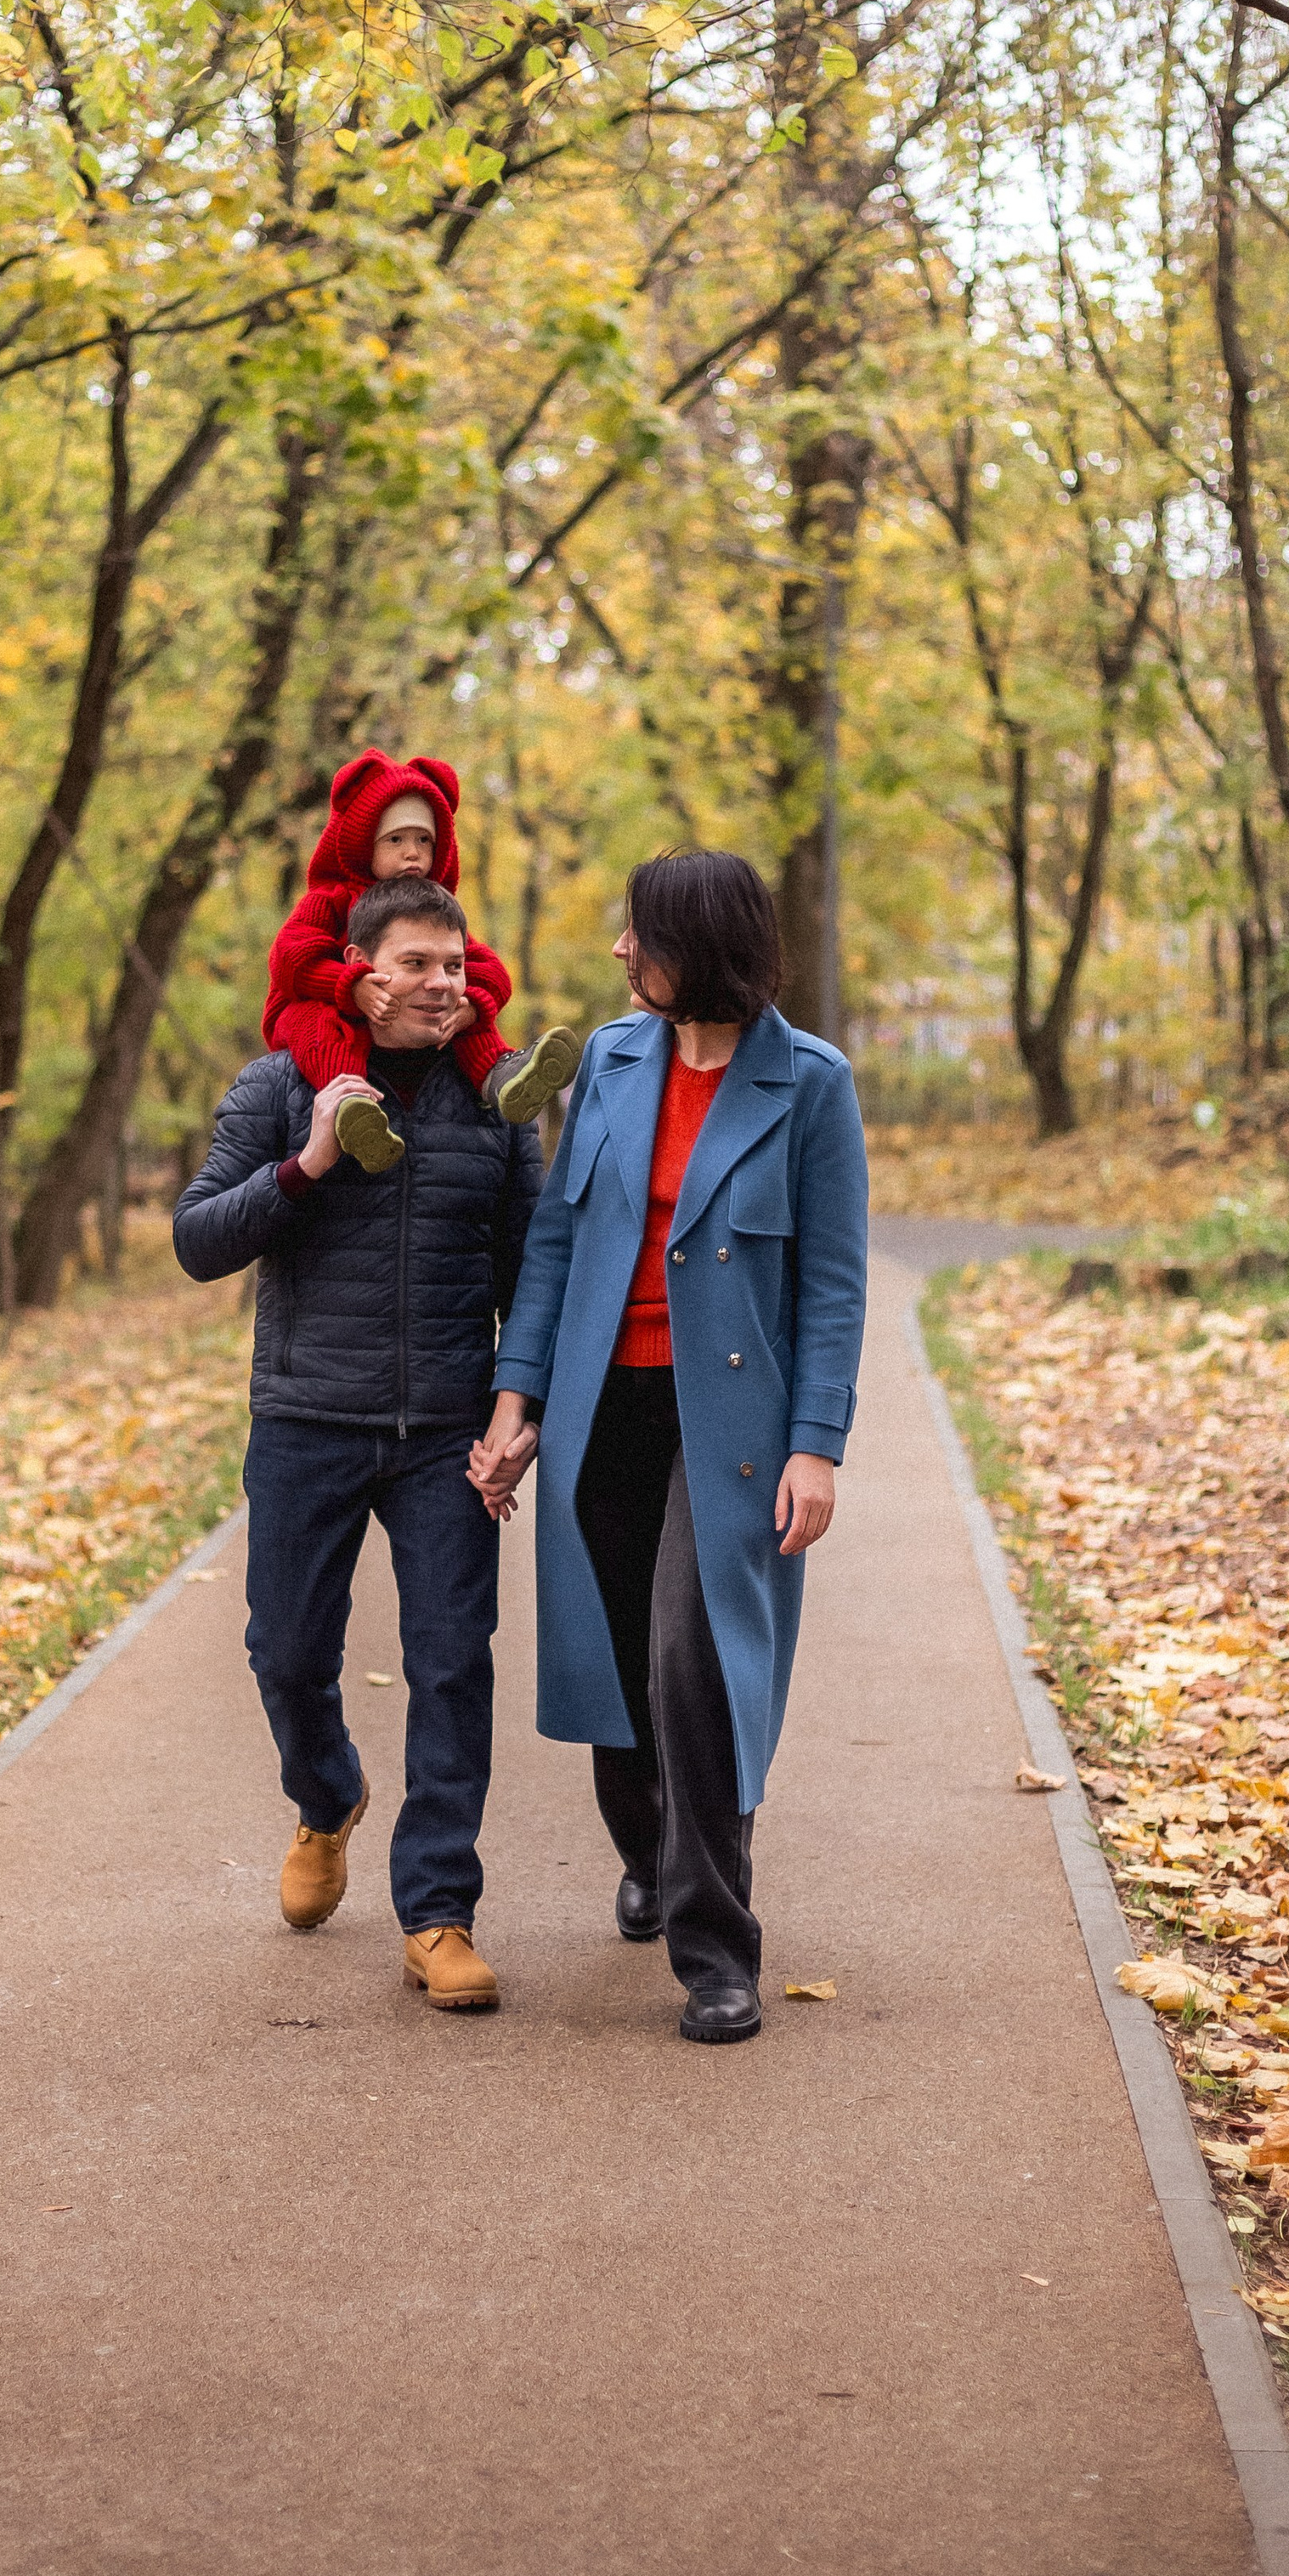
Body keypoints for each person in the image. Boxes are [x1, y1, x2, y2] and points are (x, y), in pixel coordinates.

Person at [469, 849, 868, 2045]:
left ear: (697, 944)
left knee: (692, 1652)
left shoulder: (810, 1083)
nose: (617, 952)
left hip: (732, 1424)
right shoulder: (607, 1059)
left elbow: (836, 1284)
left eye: (636, 933)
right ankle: (645, 1849)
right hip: (602, 1404)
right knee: (615, 1657)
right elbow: (556, 1246)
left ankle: (716, 1946)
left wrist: (818, 1445)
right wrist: (515, 1398)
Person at [176, 872, 543, 2010]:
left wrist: (517, 1411)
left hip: (445, 1432)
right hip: (306, 1417)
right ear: (361, 973)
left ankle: (437, 1914)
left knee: (450, 1664)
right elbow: (197, 1239)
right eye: (420, 967)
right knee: (284, 1653)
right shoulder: (282, 1086)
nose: (446, 987)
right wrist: (309, 1164)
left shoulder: (499, 1102)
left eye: (456, 965)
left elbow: (534, 1273)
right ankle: (327, 1794)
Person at [262, 750, 578, 1176]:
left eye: (423, 841)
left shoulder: (436, 915)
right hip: (313, 1004)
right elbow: (289, 959)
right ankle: (351, 1104)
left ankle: (501, 1076)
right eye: (396, 840)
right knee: (321, 1023)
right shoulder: (330, 900)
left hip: (398, 1012)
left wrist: (474, 1005)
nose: (412, 853)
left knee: (451, 995)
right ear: (364, 841)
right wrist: (349, 985)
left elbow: (491, 971)